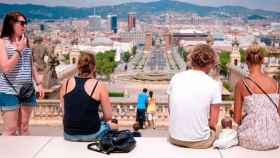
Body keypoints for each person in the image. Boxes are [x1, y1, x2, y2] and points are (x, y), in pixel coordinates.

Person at [167, 44, 221, 149]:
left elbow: (170, 109)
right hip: (201, 142)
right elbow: (213, 122)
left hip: (174, 138)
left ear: (191, 60)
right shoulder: (213, 84)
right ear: (210, 64)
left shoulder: (176, 78)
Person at [0, 11, 44, 136]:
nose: (24, 26)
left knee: (24, 127)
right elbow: (5, 68)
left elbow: (31, 64)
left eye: (26, 23)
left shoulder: (25, 40)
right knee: (11, 129)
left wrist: (39, 83)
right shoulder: (2, 42)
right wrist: (19, 50)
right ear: (11, 23)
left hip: (27, 89)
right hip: (8, 90)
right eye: (22, 23)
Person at [234, 44, 280, 150]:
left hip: (250, 139)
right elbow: (278, 113)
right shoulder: (275, 84)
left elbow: (236, 118)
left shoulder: (242, 84)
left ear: (247, 61)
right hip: (274, 138)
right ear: (263, 61)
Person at [60, 52, 112, 142]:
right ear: (94, 67)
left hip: (68, 134)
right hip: (92, 133)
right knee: (114, 124)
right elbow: (108, 116)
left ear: (78, 66)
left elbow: (65, 112)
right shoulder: (99, 85)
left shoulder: (66, 83)